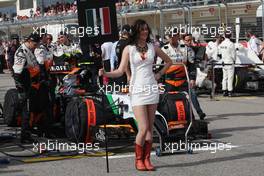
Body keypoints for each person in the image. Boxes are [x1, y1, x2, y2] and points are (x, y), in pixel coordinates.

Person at [99, 19, 172, 171]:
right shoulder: (129, 49)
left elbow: (169, 61)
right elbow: (120, 70)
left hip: (152, 88)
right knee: (143, 127)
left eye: (146, 29)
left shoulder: (153, 46)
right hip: (137, 90)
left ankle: (147, 159)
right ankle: (138, 159)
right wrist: (106, 73)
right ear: (136, 31)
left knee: (150, 129)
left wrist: (158, 75)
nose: (145, 32)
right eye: (142, 29)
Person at [12, 33, 41, 143]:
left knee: (30, 109)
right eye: (35, 44)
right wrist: (21, 89)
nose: (36, 46)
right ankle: (25, 136)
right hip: (23, 83)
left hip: (28, 81)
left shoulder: (29, 50)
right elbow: (17, 73)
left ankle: (28, 131)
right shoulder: (21, 52)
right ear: (29, 41)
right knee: (26, 110)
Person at [182, 34, 206, 120]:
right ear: (183, 40)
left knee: (192, 93)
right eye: (187, 40)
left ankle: (199, 112)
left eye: (190, 40)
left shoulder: (191, 50)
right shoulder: (178, 48)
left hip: (188, 74)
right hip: (175, 75)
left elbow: (192, 65)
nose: (189, 42)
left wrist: (192, 78)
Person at [218, 33, 236, 97]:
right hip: (230, 62)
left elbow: (219, 53)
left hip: (223, 62)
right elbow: (233, 54)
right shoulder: (231, 44)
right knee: (230, 77)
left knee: (224, 77)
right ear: (230, 36)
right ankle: (230, 91)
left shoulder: (222, 44)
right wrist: (234, 60)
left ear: (225, 36)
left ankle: (224, 90)